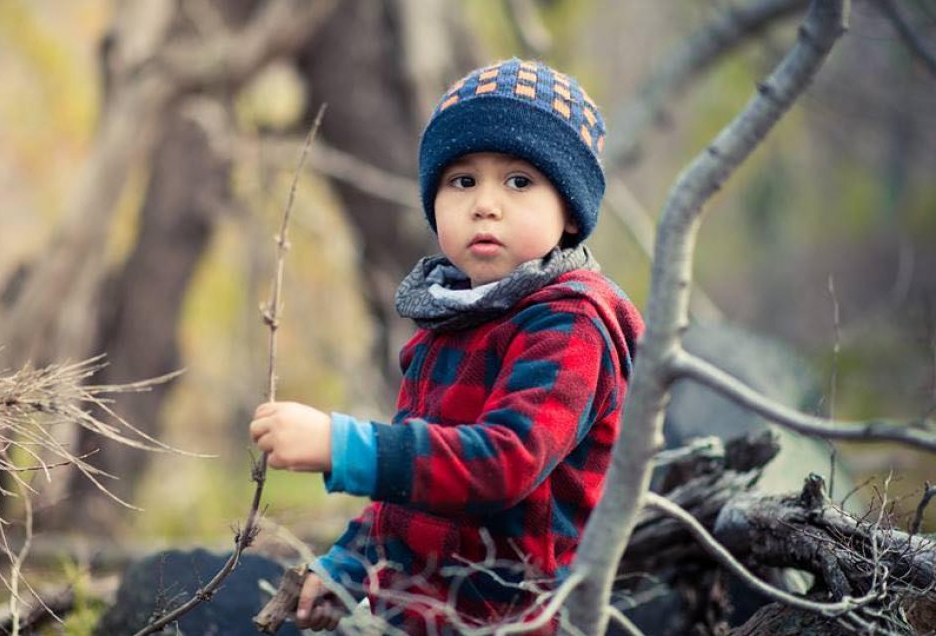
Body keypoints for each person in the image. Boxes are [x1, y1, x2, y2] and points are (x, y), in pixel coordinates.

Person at [249, 58, 644, 633]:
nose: (485, 203)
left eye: (519, 181)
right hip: (421, 615)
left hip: (516, 620)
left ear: (570, 213)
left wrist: (343, 446)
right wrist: (349, 566)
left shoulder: (572, 324)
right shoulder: (452, 314)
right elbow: (414, 492)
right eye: (462, 181)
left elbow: (503, 463)